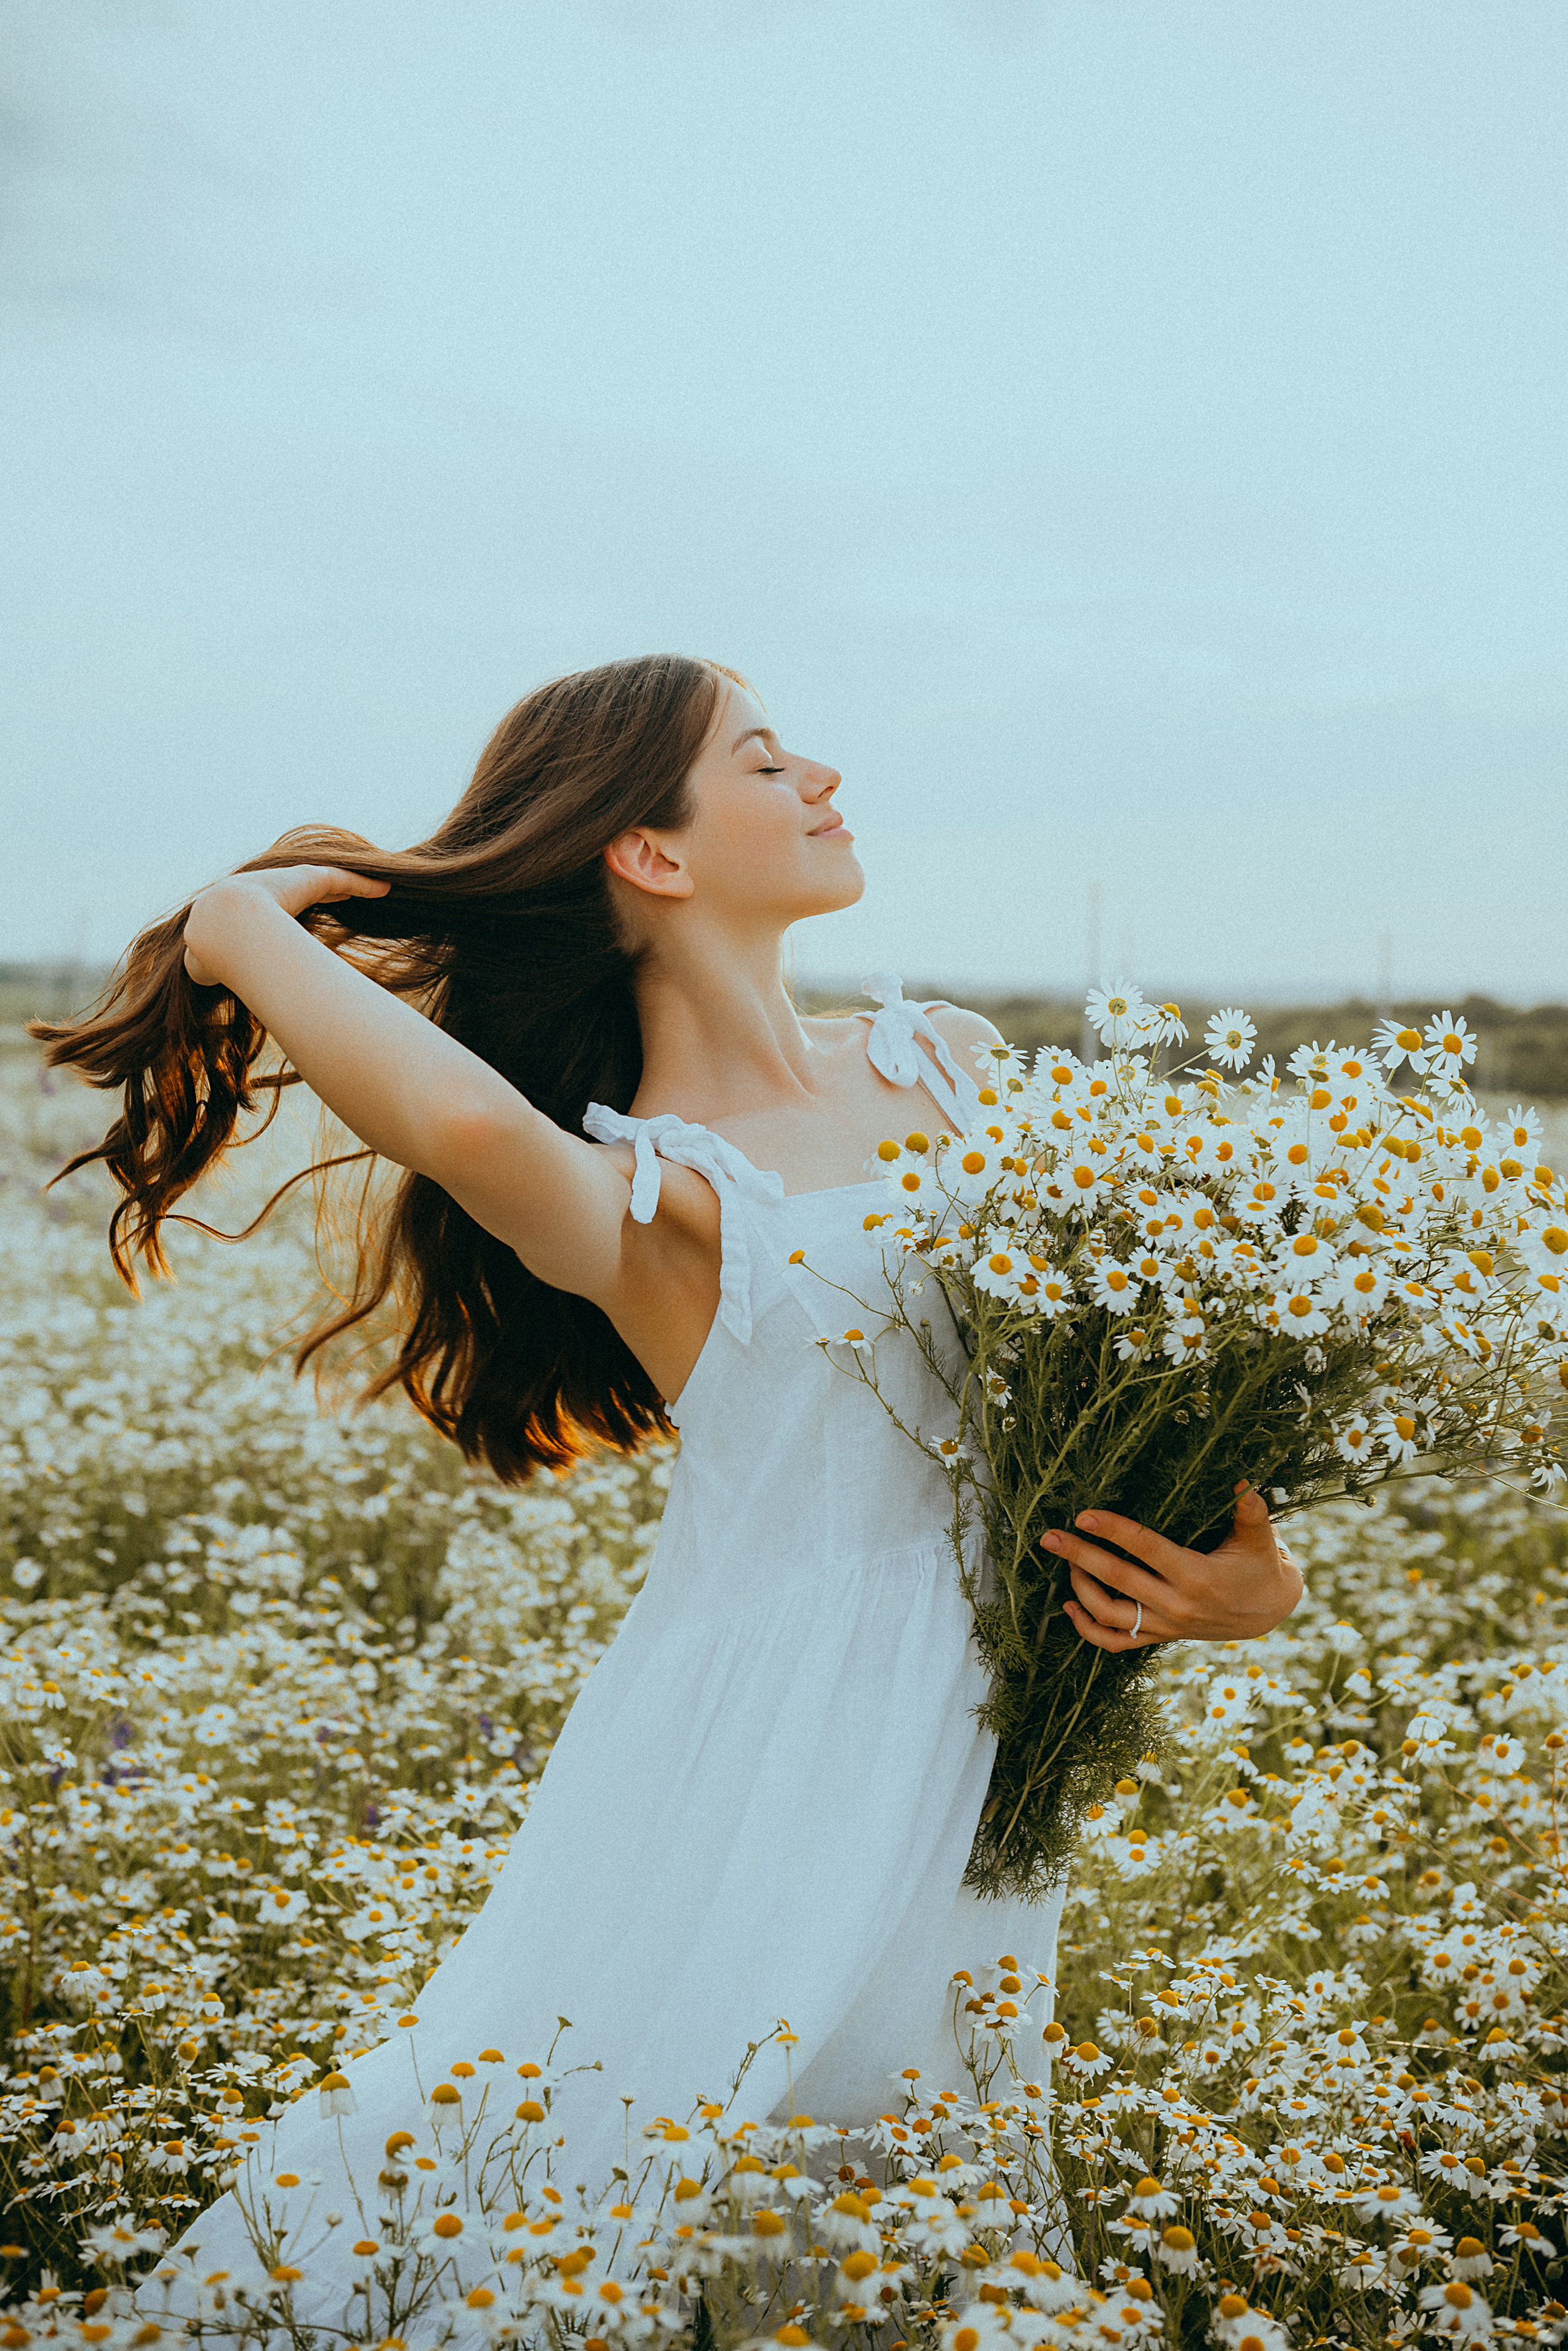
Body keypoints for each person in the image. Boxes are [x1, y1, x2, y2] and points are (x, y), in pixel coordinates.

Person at [42, 653, 1302, 2317]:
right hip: (765, 1755)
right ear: (652, 851)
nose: (824, 777)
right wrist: (231, 922)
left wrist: (1250, 1584)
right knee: (627, 2181)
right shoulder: (646, 1185)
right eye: (769, 762)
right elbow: (449, 1119)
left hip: (980, 1741)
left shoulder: (960, 1065)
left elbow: (1151, 1387)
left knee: (908, 2224)